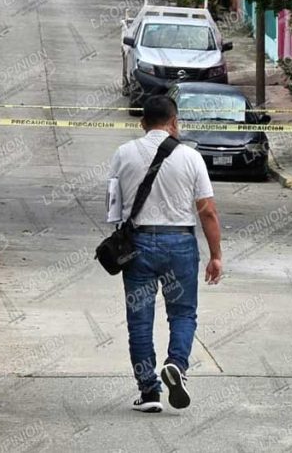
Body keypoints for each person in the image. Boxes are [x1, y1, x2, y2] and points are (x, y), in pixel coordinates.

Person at [108, 95, 223, 413]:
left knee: (140, 321)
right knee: (183, 313)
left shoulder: (123, 154)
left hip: (138, 245)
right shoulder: (191, 157)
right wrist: (216, 255)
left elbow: (113, 207)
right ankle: (177, 366)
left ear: (142, 123)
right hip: (180, 244)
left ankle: (149, 393)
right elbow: (208, 212)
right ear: (175, 122)